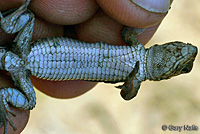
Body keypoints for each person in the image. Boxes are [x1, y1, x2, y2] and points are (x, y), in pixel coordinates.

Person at [0, 0, 173, 133]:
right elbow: (127, 32)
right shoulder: (136, 54)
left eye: (183, 67)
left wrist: (132, 85)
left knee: (30, 101)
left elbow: (126, 94)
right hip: (30, 53)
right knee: (29, 18)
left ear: (164, 75)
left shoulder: (136, 76)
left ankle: (3, 97)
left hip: (31, 64)